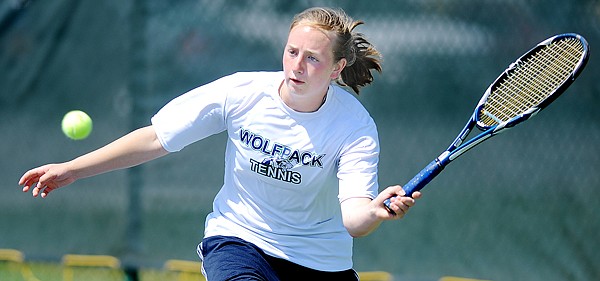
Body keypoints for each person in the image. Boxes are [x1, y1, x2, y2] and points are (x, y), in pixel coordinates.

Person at [19, 7, 421, 281]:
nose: (297, 65)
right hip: (239, 239)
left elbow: (353, 219)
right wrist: (73, 168)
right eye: (292, 51)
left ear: (337, 68)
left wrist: (376, 212)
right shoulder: (242, 91)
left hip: (320, 262)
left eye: (313, 58)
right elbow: (157, 137)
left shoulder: (354, 126)